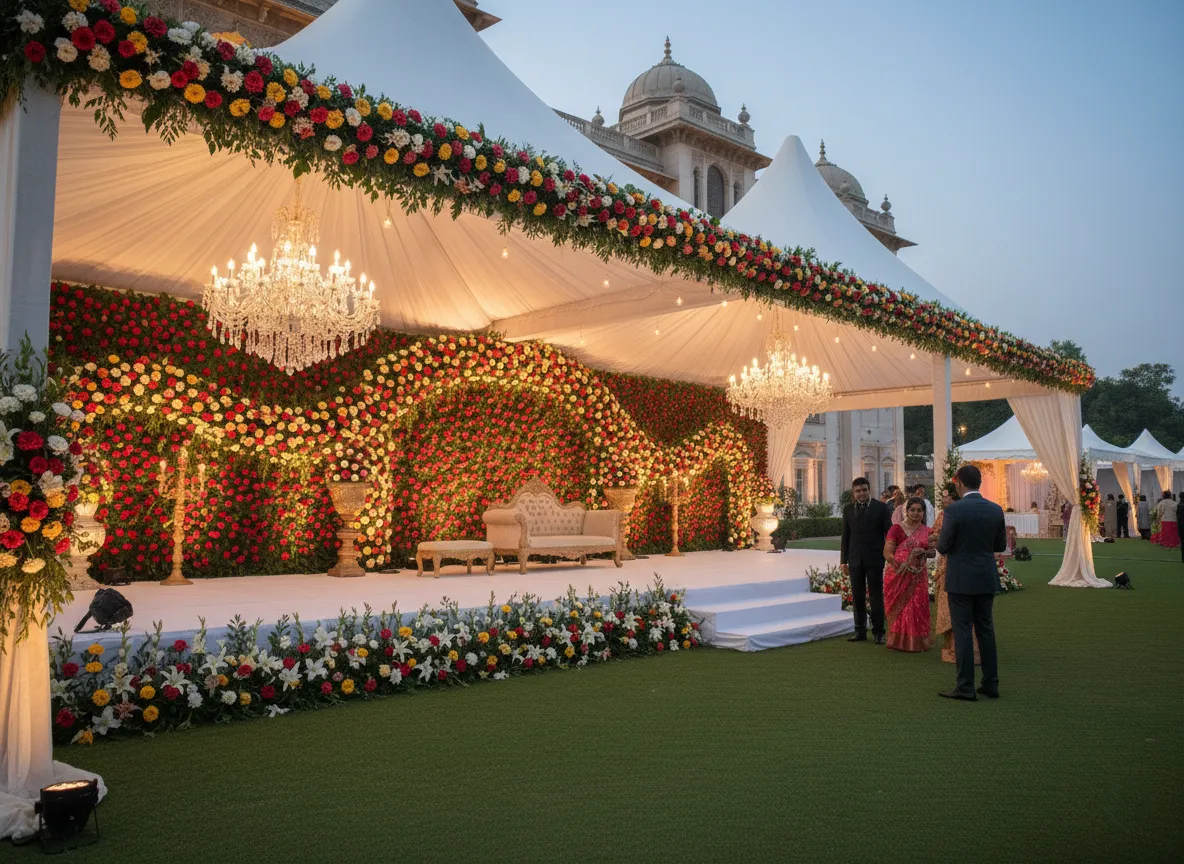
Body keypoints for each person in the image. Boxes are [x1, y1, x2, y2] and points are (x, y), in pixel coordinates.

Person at [936, 465, 1006, 701]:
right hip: (985, 576)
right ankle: (990, 683)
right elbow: (1000, 546)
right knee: (986, 630)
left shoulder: (954, 510)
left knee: (963, 631)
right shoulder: (995, 509)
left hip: (960, 578)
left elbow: (943, 546)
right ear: (980, 483)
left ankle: (965, 685)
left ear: (959, 484)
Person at [840, 477, 894, 644]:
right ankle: (860, 631)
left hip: (875, 559)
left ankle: (879, 632)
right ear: (853, 493)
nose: (861, 493)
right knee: (857, 596)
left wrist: (891, 555)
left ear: (869, 490)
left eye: (864, 490)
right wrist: (843, 560)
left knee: (876, 596)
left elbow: (890, 534)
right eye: (858, 491)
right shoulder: (848, 510)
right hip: (855, 559)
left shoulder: (881, 508)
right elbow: (845, 536)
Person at [933, 484, 980, 665]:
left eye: (948, 497)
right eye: (944, 497)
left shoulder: (950, 514)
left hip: (951, 565)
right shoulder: (978, 511)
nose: (945, 501)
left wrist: (936, 541)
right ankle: (967, 649)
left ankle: (959, 651)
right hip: (970, 566)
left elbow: (940, 543)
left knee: (954, 607)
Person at [882, 497, 935, 652]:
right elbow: (887, 551)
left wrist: (924, 552)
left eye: (919, 510)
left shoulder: (927, 531)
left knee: (916, 606)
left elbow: (932, 552)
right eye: (913, 510)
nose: (916, 513)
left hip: (918, 576)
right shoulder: (896, 529)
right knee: (901, 608)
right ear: (907, 511)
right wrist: (897, 563)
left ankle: (916, 642)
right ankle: (898, 641)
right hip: (897, 574)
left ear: (923, 513)